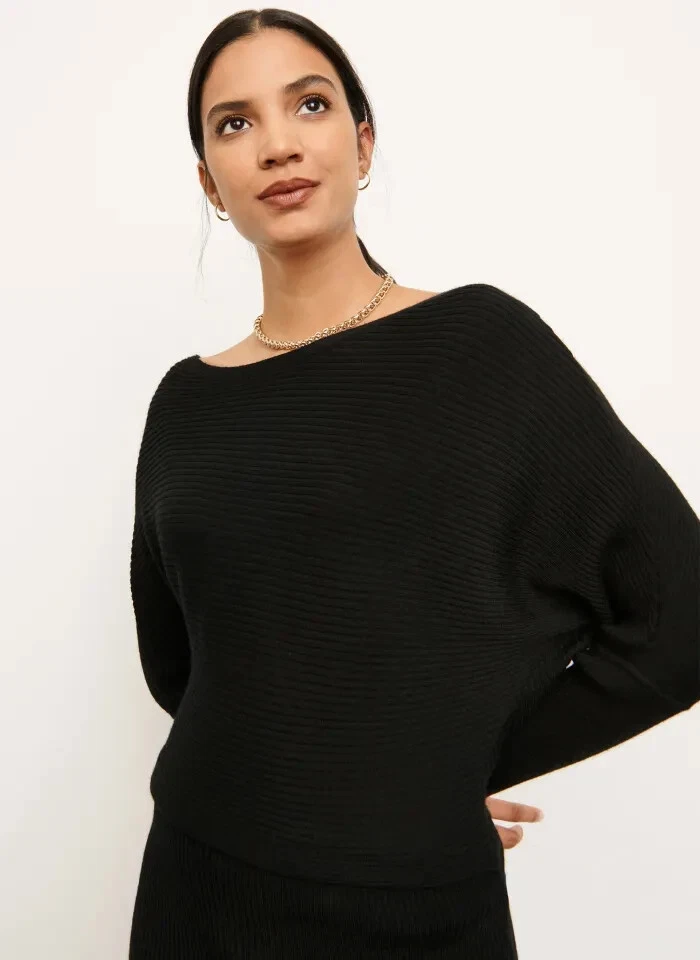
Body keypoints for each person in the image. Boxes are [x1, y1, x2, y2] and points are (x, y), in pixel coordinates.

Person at [127, 9, 700, 959]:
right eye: (234, 124)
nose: (276, 145)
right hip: (200, 887)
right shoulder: (185, 403)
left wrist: (444, 771)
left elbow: (682, 611)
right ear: (209, 184)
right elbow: (184, 669)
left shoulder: (484, 348)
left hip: (417, 907)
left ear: (362, 143)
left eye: (309, 105)